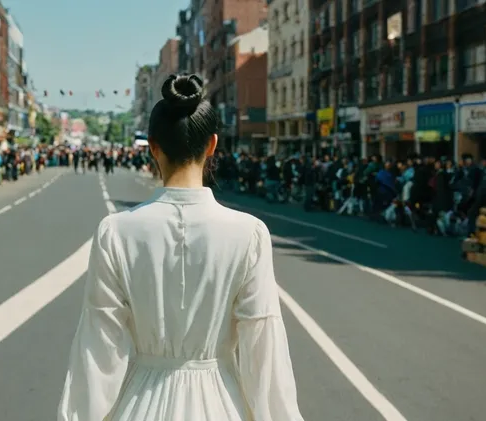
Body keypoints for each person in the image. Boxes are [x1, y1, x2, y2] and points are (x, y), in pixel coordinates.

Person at [58, 75, 303, 421]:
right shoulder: (250, 234)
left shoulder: (115, 232)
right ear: (212, 145)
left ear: (153, 147)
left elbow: (98, 349)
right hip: (221, 403)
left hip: (140, 402)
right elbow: (263, 350)